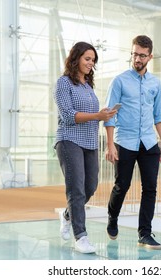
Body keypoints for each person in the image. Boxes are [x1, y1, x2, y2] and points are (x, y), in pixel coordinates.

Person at [103, 35, 161, 250]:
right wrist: (110, 144)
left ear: (150, 56)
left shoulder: (155, 83)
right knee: (122, 185)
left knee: (150, 188)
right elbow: (110, 115)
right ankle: (113, 217)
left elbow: (159, 116)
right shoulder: (119, 81)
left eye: (141, 55)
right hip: (125, 141)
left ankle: (145, 233)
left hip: (149, 143)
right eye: (134, 54)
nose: (137, 59)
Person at [53, 41, 117, 254]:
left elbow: (92, 116)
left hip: (89, 142)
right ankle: (81, 237)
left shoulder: (88, 86)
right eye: (87, 59)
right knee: (76, 189)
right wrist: (98, 116)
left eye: (93, 60)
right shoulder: (63, 83)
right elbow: (68, 116)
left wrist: (103, 114)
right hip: (69, 140)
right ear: (76, 58)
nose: (91, 63)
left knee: (91, 186)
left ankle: (67, 215)